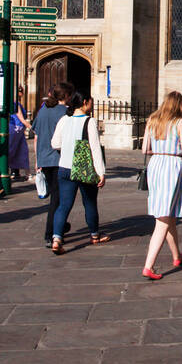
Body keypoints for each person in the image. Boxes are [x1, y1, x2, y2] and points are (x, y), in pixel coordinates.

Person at [141, 91, 182, 279]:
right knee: (162, 220)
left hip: (155, 165)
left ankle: (177, 255)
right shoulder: (180, 122)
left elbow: (145, 149)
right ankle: (149, 266)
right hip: (171, 166)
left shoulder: (152, 120)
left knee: (167, 214)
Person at [50, 94, 109, 254]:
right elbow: (95, 148)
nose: (91, 104)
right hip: (83, 168)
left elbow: (54, 143)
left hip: (64, 167)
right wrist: (101, 172)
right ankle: (94, 235)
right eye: (90, 101)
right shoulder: (89, 121)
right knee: (89, 202)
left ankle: (56, 239)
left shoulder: (64, 120)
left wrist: (67, 149)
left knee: (63, 205)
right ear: (84, 102)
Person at [33, 81, 72, 247]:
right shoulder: (65, 113)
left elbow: (36, 135)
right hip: (58, 159)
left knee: (57, 197)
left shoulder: (43, 111)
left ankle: (60, 226)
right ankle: (51, 233)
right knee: (58, 199)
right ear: (66, 96)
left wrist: (37, 159)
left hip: (44, 159)